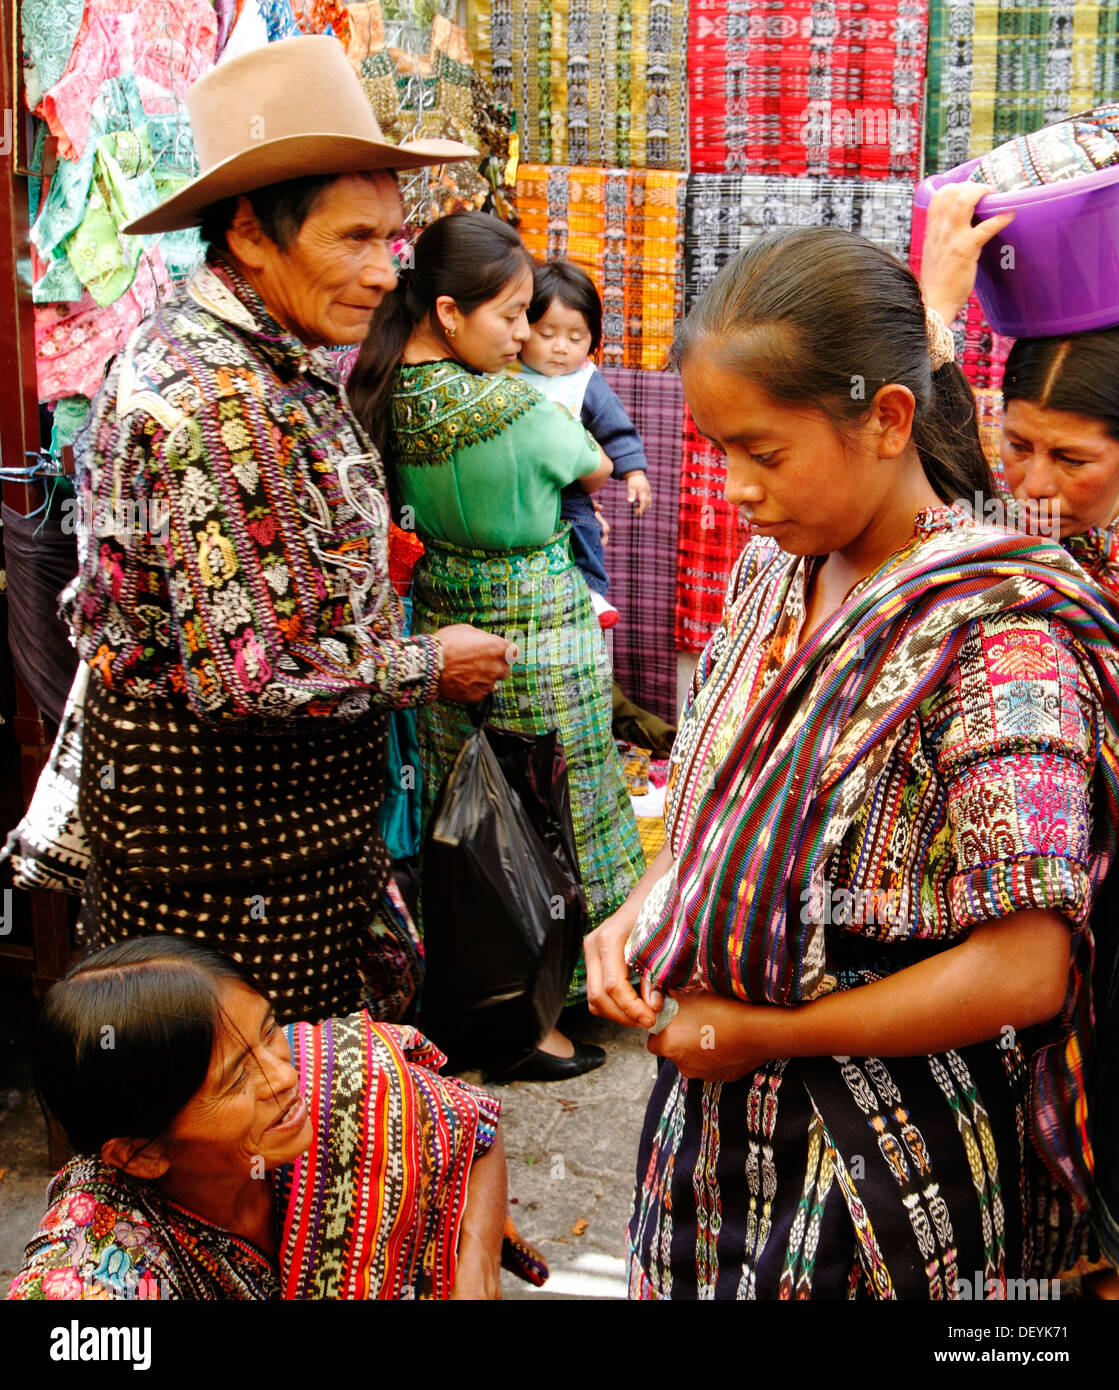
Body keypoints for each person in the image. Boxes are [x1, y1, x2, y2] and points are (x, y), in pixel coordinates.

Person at [584, 226, 1119, 1299]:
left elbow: (1026, 965)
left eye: (764, 453)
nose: (733, 486)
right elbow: (724, 795)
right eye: (716, 448)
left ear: (886, 420)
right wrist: (644, 904)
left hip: (882, 1182)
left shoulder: (997, 637)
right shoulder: (772, 578)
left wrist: (772, 1032)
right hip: (712, 1150)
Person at [65, 37, 514, 1025]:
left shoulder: (258, 358)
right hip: (229, 870)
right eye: (353, 238)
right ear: (251, 234)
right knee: (247, 1132)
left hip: (265, 846)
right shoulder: (218, 399)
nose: (383, 270)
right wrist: (423, 661)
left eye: (390, 239)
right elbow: (247, 675)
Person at [349, 212, 645, 1081]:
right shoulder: (508, 405)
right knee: (562, 805)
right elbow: (592, 465)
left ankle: (477, 991)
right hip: (534, 625)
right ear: (448, 313)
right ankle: (552, 1004)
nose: (524, 337)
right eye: (511, 316)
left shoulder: (377, 392)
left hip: (442, 620)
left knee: (469, 816)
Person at [8, 937, 514, 1300]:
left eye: (269, 1032)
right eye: (234, 1078)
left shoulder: (339, 1074)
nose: (283, 1077)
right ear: (143, 1154)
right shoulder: (94, 1267)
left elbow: (474, 1129)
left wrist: (476, 1267)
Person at [919, 180, 1119, 611]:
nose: (1034, 487)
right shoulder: (988, 530)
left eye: (1072, 459)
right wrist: (933, 308)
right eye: (1019, 447)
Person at [518, 259, 653, 629]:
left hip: (569, 490)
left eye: (576, 339)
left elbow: (616, 428)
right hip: (517, 487)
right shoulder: (505, 369)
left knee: (583, 527)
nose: (561, 348)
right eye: (546, 335)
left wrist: (635, 473)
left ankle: (590, 591)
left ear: (593, 339)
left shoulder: (585, 382)